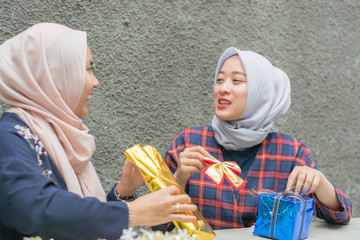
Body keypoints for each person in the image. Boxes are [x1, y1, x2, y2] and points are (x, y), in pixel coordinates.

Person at [0, 23, 197, 240]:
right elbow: (35, 209)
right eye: (86, 69)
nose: (95, 82)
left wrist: (124, 192)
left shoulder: (57, 134)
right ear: (54, 75)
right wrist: (132, 213)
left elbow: (82, 225)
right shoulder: (10, 136)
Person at [162, 47, 352, 230]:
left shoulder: (289, 151)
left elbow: (341, 215)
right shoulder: (188, 142)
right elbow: (159, 225)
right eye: (219, 80)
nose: (223, 88)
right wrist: (179, 178)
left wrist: (319, 181)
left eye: (236, 80)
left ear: (261, 93)